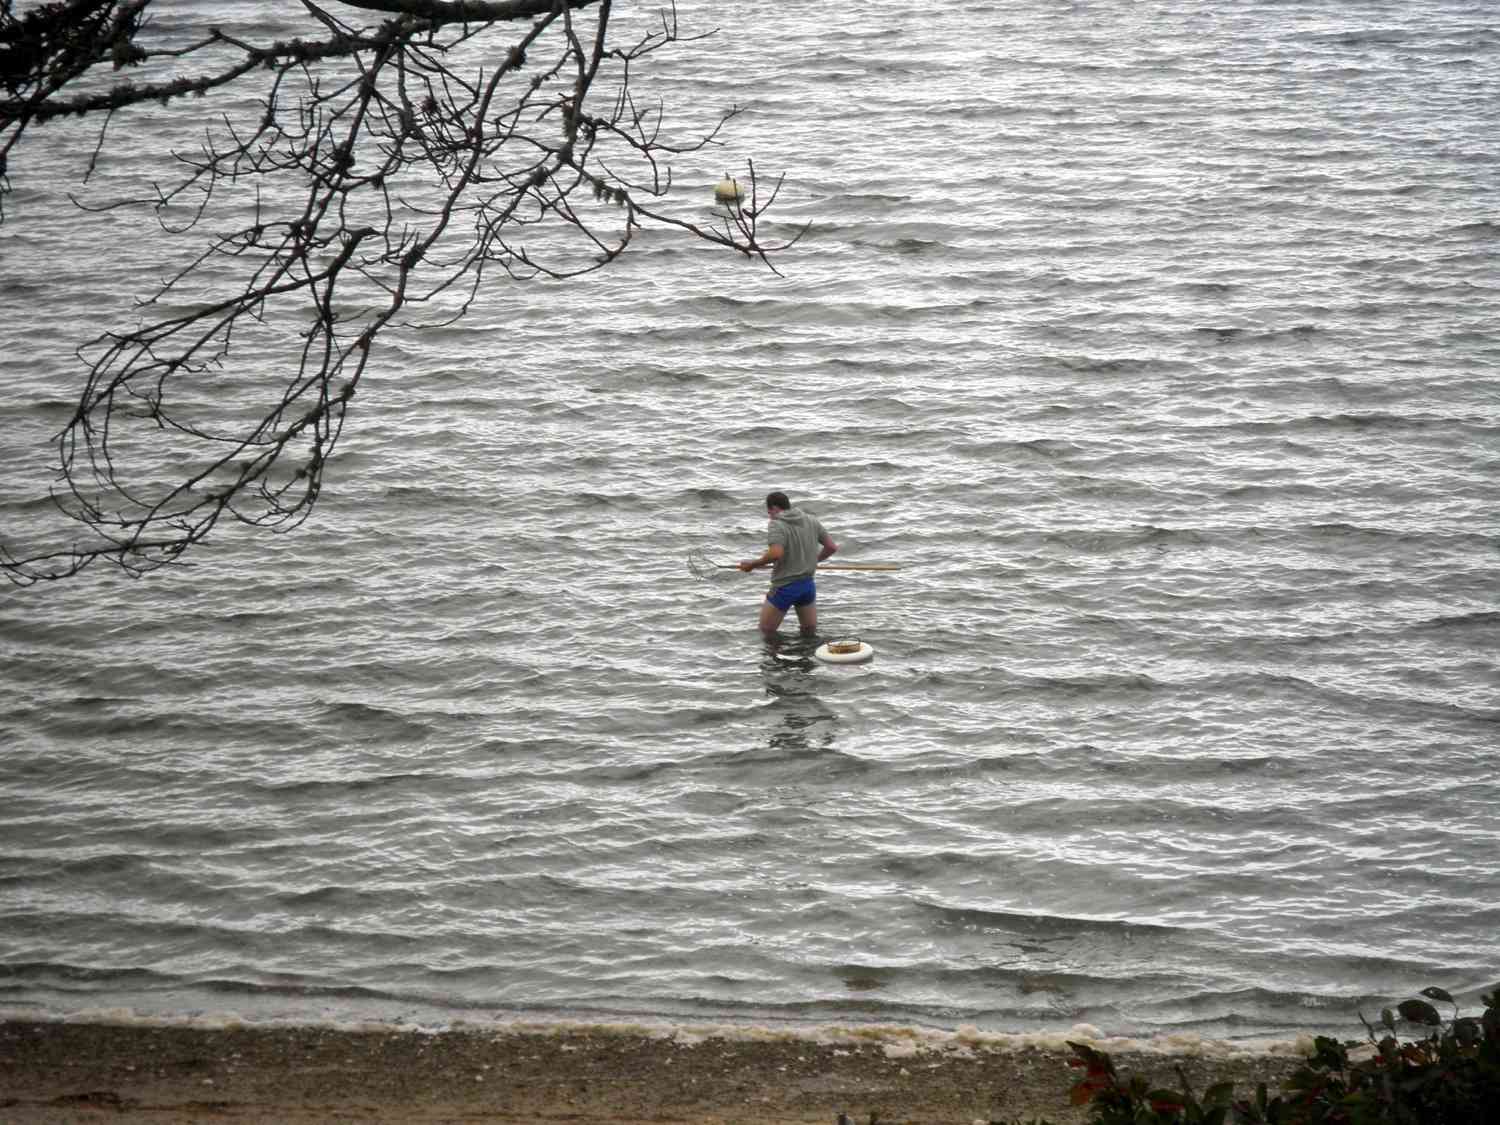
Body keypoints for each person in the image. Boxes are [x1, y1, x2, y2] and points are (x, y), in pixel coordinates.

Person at [738, 491, 838, 638]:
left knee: (766, 632)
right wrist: (812, 561)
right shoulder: (811, 520)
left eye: (769, 512)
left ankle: (774, 661)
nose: (770, 516)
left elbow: (775, 553)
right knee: (809, 632)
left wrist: (752, 565)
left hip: (785, 587)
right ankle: (807, 659)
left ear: (774, 508)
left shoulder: (777, 524)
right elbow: (831, 547)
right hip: (807, 586)